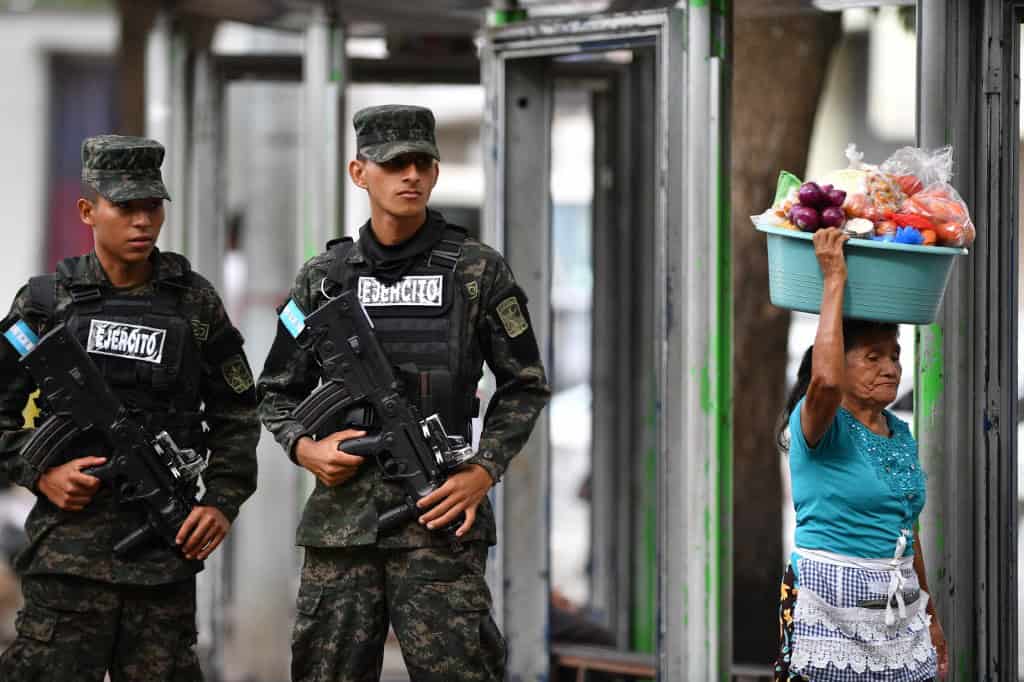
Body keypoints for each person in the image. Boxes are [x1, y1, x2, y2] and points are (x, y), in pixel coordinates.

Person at [258, 104, 550, 681]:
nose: (411, 175)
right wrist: (305, 448)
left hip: (440, 520)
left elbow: (525, 385)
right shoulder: (323, 278)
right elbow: (274, 391)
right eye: (394, 164)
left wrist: (483, 470)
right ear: (359, 172)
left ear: (436, 172)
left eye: (422, 162)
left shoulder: (476, 272)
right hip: (342, 530)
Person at [0, 135, 260, 681]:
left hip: (161, 566)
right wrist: (39, 472)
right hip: (66, 564)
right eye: (125, 207)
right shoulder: (45, 304)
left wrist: (221, 502)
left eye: (152, 206)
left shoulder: (194, 303)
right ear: (88, 211)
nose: (143, 221)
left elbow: (237, 412)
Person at [772, 227, 948, 682]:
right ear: (838, 362)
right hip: (827, 610)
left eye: (894, 355)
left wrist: (930, 614)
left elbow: (906, 529)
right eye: (873, 357)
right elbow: (825, 382)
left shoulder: (899, 433)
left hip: (898, 616)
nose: (891, 368)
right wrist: (834, 278)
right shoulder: (819, 425)